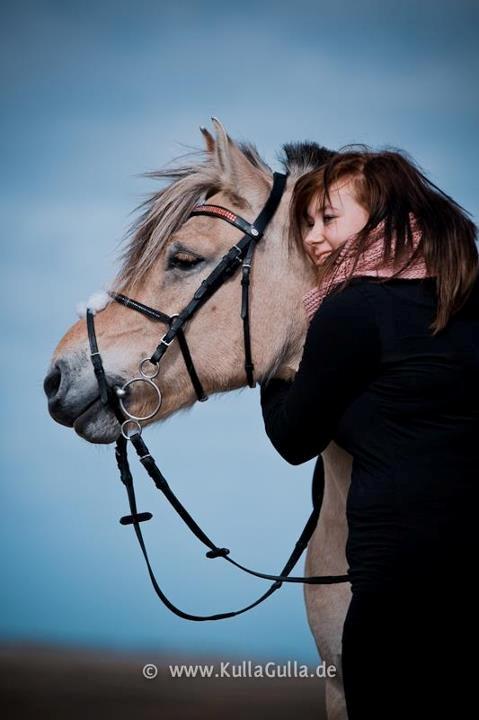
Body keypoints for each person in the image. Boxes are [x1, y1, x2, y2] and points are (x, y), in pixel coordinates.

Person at [259, 148, 479, 719]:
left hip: (395, 598)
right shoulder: (465, 299)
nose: (312, 237)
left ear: (385, 218)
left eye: (328, 218)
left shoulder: (352, 309)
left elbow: (292, 439)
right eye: (307, 223)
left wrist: (274, 358)